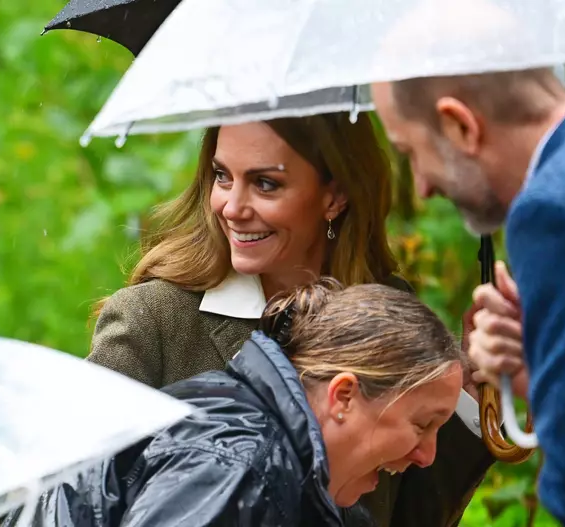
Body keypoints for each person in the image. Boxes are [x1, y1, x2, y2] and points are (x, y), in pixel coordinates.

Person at [89, 113, 494, 526]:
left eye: (265, 184)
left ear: (335, 195)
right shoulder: (152, 322)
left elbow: (405, 516)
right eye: (222, 176)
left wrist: (464, 396)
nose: (231, 207)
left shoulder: (385, 309)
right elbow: (89, 500)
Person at [371, 70, 565, 525]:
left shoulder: (558, 209)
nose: (422, 186)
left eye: (412, 153)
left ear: (459, 125)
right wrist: (551, 369)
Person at [4, 279, 465, 527]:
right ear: (343, 395)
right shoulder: (235, 464)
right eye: (422, 424)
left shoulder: (302, 481)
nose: (426, 456)